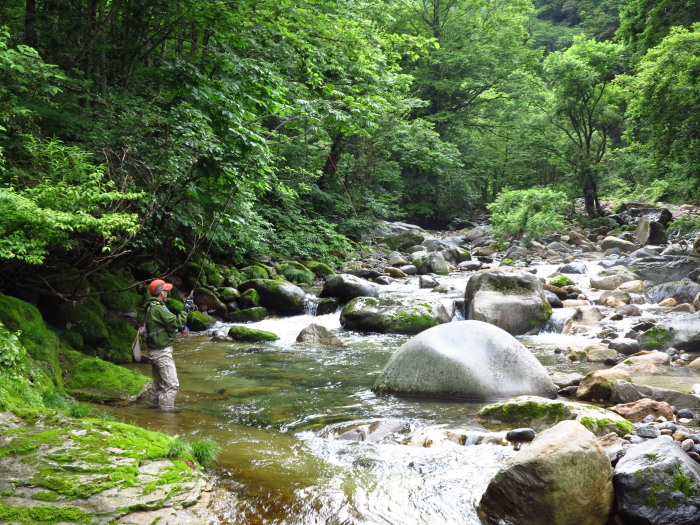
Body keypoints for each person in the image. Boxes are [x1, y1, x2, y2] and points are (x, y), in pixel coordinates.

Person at [143, 279, 193, 412]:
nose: (167, 292)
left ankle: (151, 410)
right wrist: (186, 309)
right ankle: (166, 414)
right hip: (161, 352)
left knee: (158, 384)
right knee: (172, 384)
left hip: (153, 351)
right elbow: (177, 322)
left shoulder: (150, 306)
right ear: (161, 292)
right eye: (166, 290)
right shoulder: (158, 309)